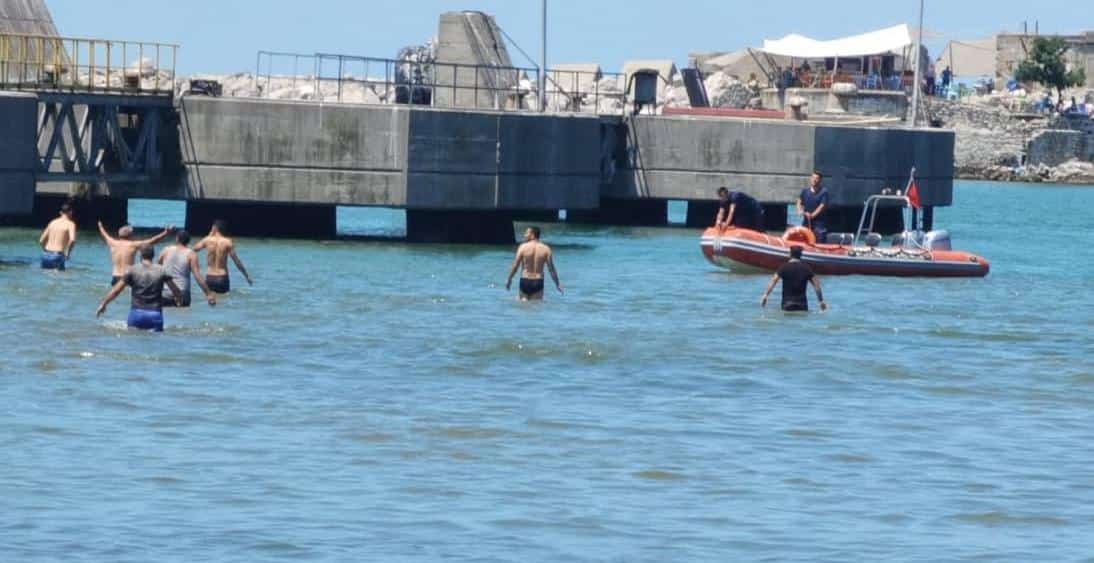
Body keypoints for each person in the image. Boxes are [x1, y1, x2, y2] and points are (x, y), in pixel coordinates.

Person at [96, 244, 186, 332]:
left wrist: (104, 304)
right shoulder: (162, 270)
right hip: (155, 315)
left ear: (140, 255)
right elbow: (175, 290)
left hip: (136, 314)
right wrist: (179, 300)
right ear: (153, 255)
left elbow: (116, 290)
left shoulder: (132, 270)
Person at [98, 220, 173, 286]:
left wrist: (100, 226)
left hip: (115, 277)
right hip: (128, 276)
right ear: (130, 235)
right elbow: (152, 241)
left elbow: (104, 235)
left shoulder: (112, 243)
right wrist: (165, 233)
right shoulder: (133, 245)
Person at [157, 230, 216, 308]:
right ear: (188, 241)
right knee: (183, 318)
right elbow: (197, 276)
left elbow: (157, 270)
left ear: (177, 239)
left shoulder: (166, 250)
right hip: (182, 293)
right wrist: (208, 294)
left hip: (165, 292)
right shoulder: (191, 254)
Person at [760, 246, 827, 312]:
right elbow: (817, 285)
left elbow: (773, 280)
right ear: (801, 255)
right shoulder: (806, 268)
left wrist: (766, 295)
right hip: (802, 306)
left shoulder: (784, 267)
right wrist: (821, 301)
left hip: (787, 305)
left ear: (790, 254)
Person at [193, 220, 253, 294]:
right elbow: (237, 261)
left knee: (211, 301)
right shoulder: (227, 242)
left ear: (215, 228)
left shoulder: (207, 240)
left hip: (210, 277)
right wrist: (247, 276)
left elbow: (194, 249)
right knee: (223, 302)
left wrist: (209, 236)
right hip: (222, 277)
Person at [505, 226, 563, 301]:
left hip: (525, 280)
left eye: (526, 233)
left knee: (523, 309)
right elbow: (551, 269)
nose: (524, 235)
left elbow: (515, 265)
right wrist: (557, 284)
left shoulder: (523, 247)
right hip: (538, 281)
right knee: (535, 308)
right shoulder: (546, 249)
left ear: (532, 235)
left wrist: (509, 279)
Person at [38, 202, 77, 270]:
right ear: (70, 212)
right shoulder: (70, 224)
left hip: (45, 255)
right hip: (57, 255)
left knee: (45, 278)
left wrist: (47, 251)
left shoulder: (52, 222)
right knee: (59, 279)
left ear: (60, 212)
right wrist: (67, 253)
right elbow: (72, 240)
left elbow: (41, 240)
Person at [796, 171, 830, 242]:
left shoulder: (824, 192)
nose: (814, 180)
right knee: (802, 238)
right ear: (811, 179)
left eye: (817, 178)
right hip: (806, 222)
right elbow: (799, 201)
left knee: (818, 237)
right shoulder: (805, 191)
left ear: (820, 180)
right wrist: (799, 210)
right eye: (813, 178)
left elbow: (822, 206)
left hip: (819, 223)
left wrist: (812, 215)